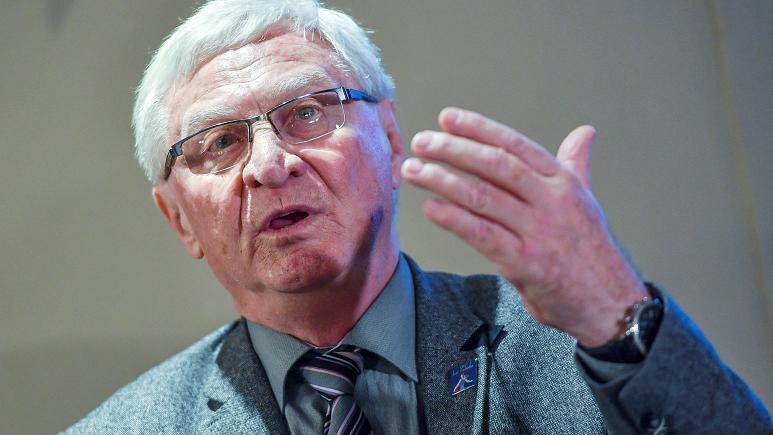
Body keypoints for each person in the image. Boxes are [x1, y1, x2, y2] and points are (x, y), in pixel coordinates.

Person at [66, 0, 772, 434]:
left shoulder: (580, 347)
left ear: (390, 137)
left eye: (306, 112)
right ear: (179, 219)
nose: (270, 164)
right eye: (220, 142)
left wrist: (617, 313)